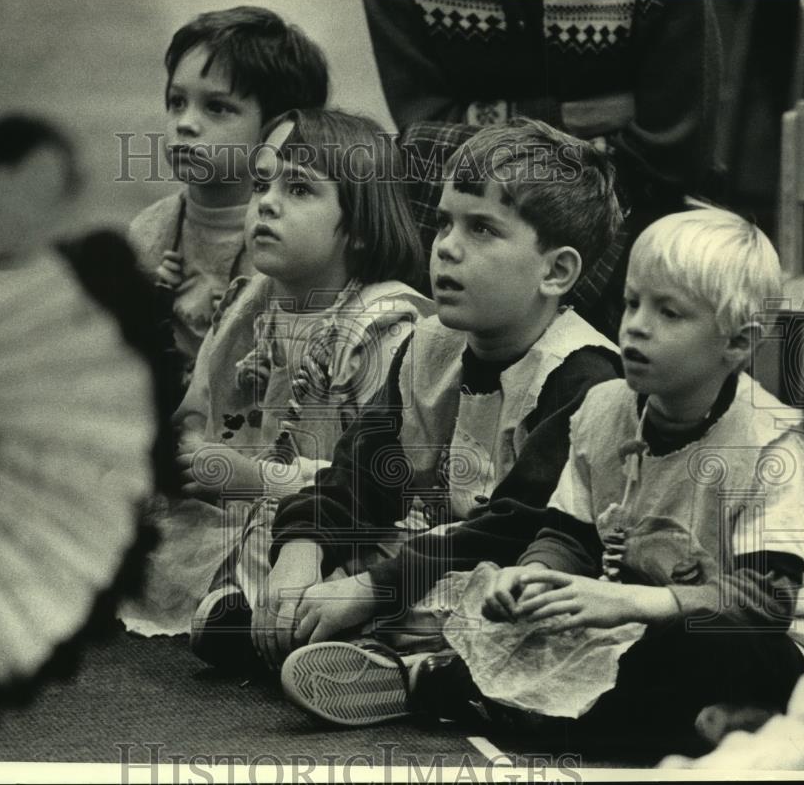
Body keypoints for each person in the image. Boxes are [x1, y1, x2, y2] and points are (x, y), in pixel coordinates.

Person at [280, 207, 804, 761]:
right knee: (496, 595)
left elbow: (766, 602)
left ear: (737, 343)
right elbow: (569, 535)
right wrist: (533, 577)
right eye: (632, 303)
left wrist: (627, 600)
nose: (635, 325)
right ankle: (484, 692)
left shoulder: (771, 447)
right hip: (623, 628)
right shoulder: (605, 410)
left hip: (738, 640)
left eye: (669, 313)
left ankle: (452, 688)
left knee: (708, 654)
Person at [217, 118, 625, 672]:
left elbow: (514, 528)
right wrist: (302, 551)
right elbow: (355, 476)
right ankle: (323, 630)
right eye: (443, 224)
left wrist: (369, 588)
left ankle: (394, 663)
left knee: (494, 599)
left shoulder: (583, 376)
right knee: (283, 523)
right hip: (433, 549)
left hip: (514, 563)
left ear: (556, 271)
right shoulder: (429, 344)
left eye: (481, 229)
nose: (447, 250)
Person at [120, 108, 433, 638]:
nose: (266, 202)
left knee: (373, 564)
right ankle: (238, 611)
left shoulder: (385, 325)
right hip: (244, 517)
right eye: (261, 183)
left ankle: (265, 619)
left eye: (299, 190)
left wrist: (256, 480)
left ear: (358, 227)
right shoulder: (249, 304)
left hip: (344, 527)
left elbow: (388, 486)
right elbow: (197, 413)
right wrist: (188, 453)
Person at [362, 0, 722, 335]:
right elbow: (428, 135)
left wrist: (489, 121)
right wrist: (576, 116)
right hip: (473, 225)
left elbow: (672, 154)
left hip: (630, 227)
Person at [128, 5, 329, 367]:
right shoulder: (147, 233)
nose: (184, 124)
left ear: (277, 130)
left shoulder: (297, 242)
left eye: (216, 108)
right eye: (177, 102)